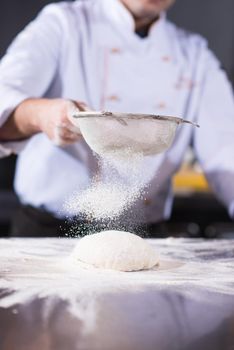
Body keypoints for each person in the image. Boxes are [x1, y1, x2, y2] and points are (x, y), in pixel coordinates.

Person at [0, 0, 233, 237]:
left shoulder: (194, 55)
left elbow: (227, 152)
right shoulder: (64, 23)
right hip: (48, 233)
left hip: (145, 237)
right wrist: (43, 115)